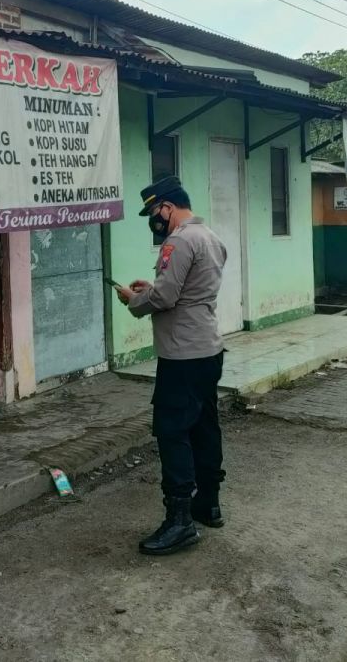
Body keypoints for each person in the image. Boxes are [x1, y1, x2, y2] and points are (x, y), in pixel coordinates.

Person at [117, 176, 228, 555]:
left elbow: (165, 298)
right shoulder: (211, 237)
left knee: (172, 430)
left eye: (153, 211)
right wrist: (150, 289)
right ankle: (208, 503)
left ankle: (179, 522)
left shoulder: (178, 240)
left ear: (167, 206)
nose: (153, 218)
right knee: (204, 425)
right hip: (208, 349)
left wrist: (134, 300)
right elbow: (188, 290)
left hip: (181, 354)